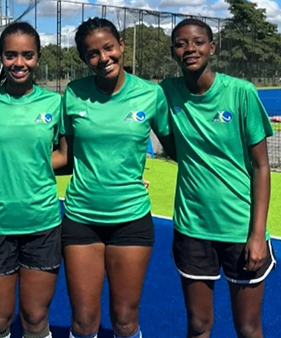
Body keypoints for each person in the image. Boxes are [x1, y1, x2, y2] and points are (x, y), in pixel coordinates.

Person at [54, 17, 173, 338]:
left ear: (121, 45)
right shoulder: (74, 93)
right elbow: (64, 156)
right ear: (84, 59)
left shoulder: (151, 94)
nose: (103, 58)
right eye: (92, 53)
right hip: (82, 218)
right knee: (83, 321)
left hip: (131, 219)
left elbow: (178, 147)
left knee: (125, 320)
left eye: (108, 48)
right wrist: (5, 171)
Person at [160, 18, 275, 338]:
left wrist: (257, 234)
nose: (190, 49)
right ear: (173, 52)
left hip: (240, 228)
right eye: (181, 44)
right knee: (198, 325)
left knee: (248, 328)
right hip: (192, 228)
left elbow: (261, 166)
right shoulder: (167, 92)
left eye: (198, 42)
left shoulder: (241, 92)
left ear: (212, 48)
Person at [0, 22, 62, 338]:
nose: (19, 63)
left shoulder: (54, 104)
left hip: (42, 224)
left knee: (35, 319)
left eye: (27, 55)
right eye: (11, 55)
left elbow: (69, 154)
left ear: (37, 57)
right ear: (1, 57)